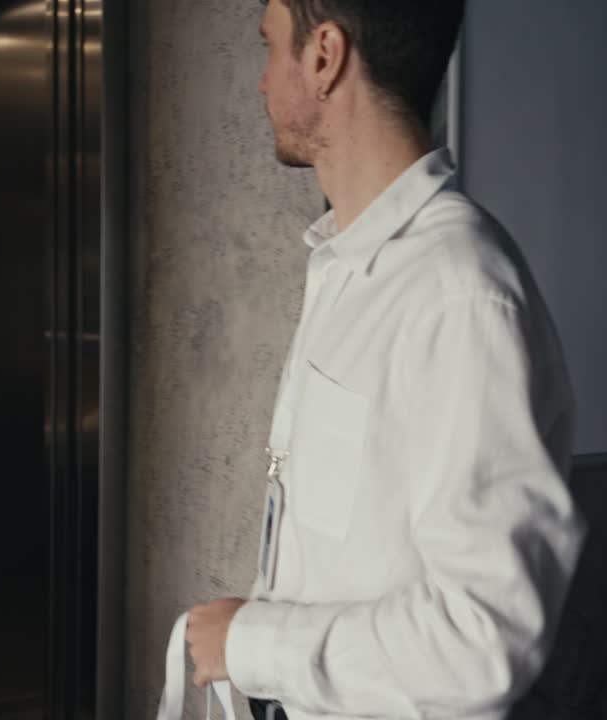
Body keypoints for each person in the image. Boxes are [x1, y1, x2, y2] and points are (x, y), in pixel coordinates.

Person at [183, 2, 586, 719]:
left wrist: (252, 644)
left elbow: (481, 638)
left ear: (324, 55)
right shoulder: (351, 266)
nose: (261, 82)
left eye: (272, 47)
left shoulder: (458, 295)